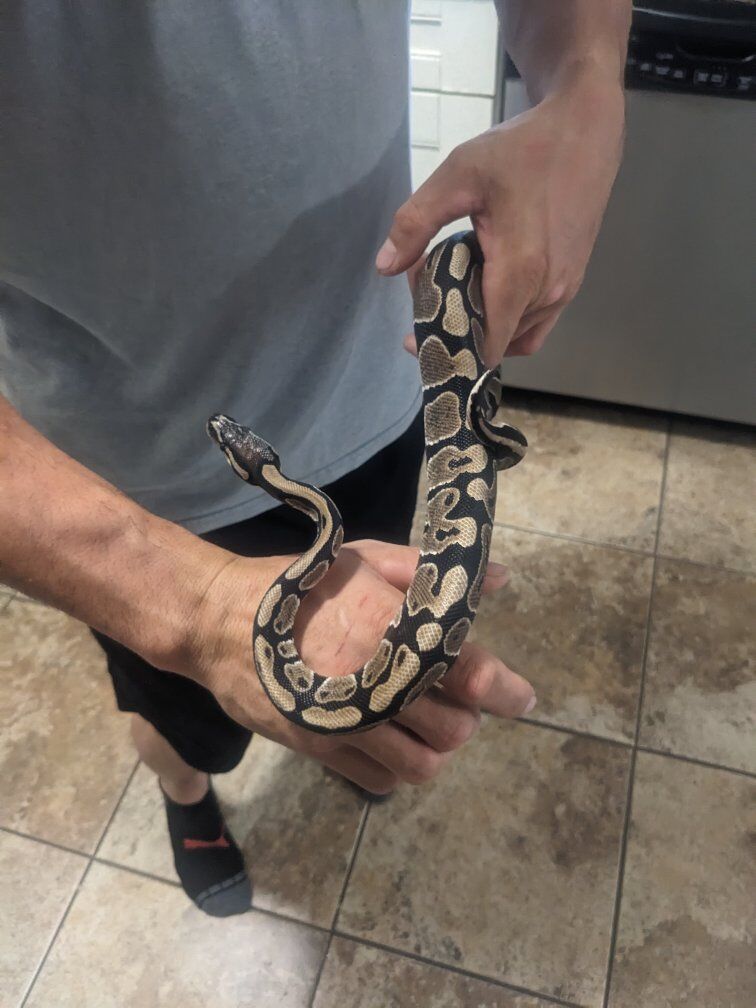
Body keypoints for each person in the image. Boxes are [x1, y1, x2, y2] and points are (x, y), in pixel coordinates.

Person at [0, 1, 630, 916]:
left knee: (367, 649)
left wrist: (584, 84)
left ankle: (341, 729)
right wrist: (201, 610)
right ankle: (189, 795)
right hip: (121, 489)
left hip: (384, 394)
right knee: (184, 724)